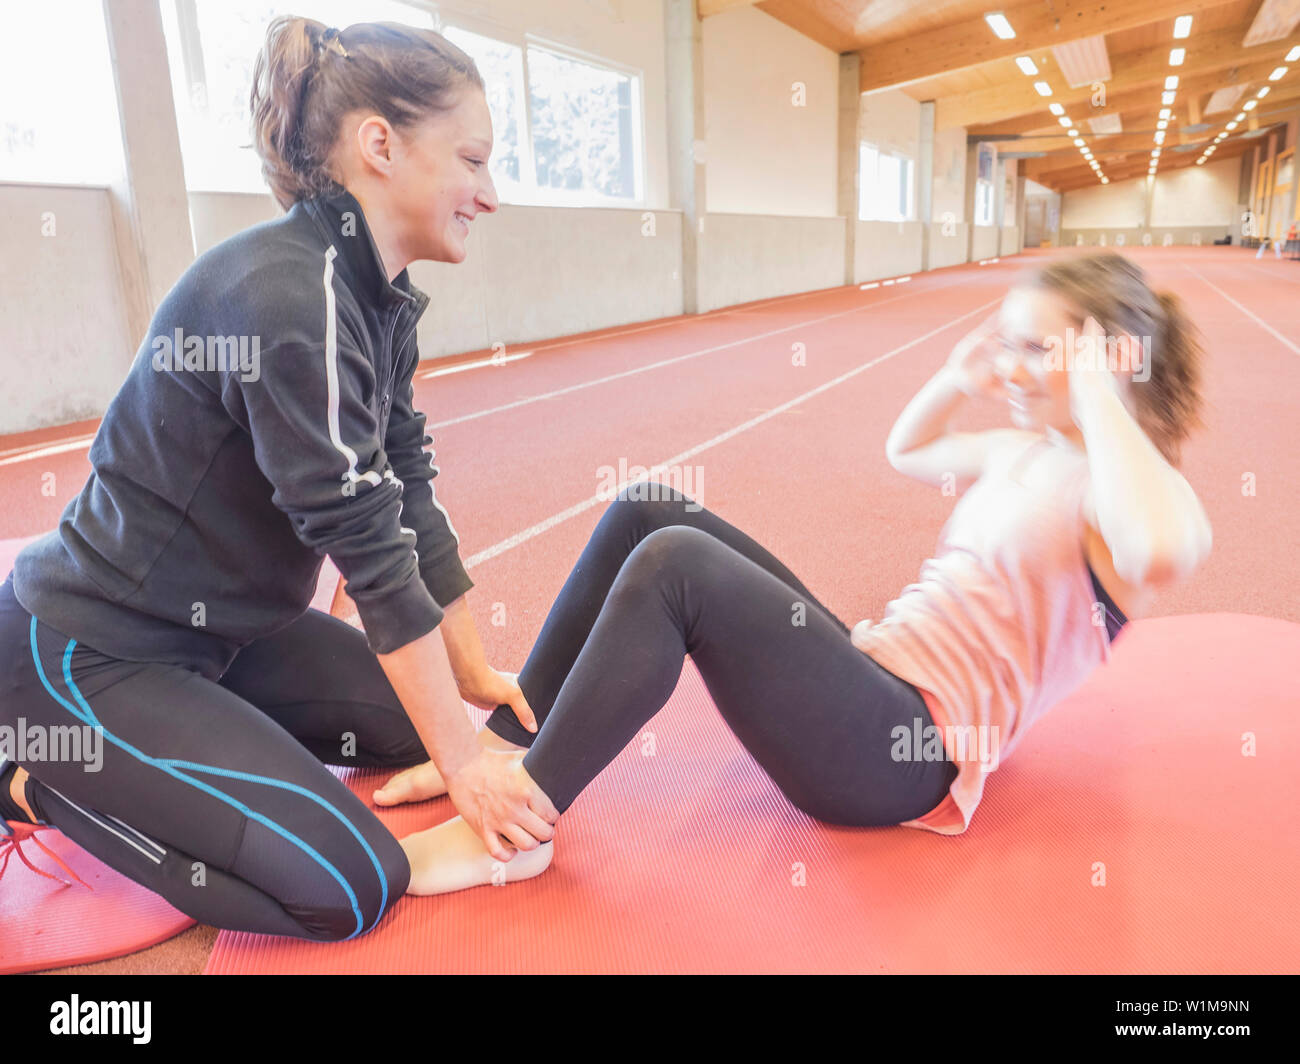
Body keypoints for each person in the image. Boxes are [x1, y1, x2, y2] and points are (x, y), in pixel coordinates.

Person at [381, 252, 1213, 895]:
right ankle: (503, 749)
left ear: (1115, 356)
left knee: (677, 567)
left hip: (904, 755)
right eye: (1010, 345)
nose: (1014, 367)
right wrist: (959, 377)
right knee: (649, 508)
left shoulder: (1134, 499)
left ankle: (519, 826)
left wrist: (1103, 389)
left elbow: (1159, 553)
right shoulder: (1027, 450)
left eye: (1038, 349)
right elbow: (910, 450)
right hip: (870, 667)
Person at [0, 17, 558, 942]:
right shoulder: (289, 296)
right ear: (379, 144)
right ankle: (31, 781)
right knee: (352, 886)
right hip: (87, 653)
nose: (487, 194)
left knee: (412, 721)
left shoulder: (374, 294)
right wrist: (466, 771)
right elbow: (373, 559)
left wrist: (469, 679)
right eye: (473, 160)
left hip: (225, 636)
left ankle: (205, 738)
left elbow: (406, 487)